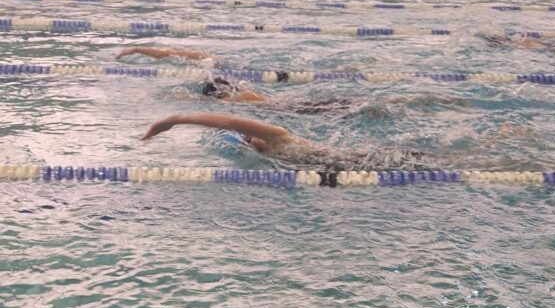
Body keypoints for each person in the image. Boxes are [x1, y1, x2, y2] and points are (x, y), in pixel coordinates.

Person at [140, 111, 430, 173]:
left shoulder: (277, 136)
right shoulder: (269, 154)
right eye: (246, 140)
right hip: (347, 167)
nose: (249, 140)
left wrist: (175, 119)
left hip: (370, 161)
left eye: (249, 136)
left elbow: (227, 121)